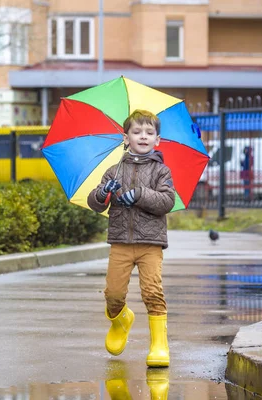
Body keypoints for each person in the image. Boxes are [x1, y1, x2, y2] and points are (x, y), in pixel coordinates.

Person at [87, 109, 175, 367]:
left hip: (150, 244)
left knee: (152, 292)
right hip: (121, 242)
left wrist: (139, 194)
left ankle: (159, 344)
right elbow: (96, 203)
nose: (143, 136)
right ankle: (121, 319)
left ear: (157, 140)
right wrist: (104, 191)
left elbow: (167, 201)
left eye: (149, 133)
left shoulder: (162, 171)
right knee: (113, 294)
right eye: (137, 132)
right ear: (126, 138)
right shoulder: (114, 170)